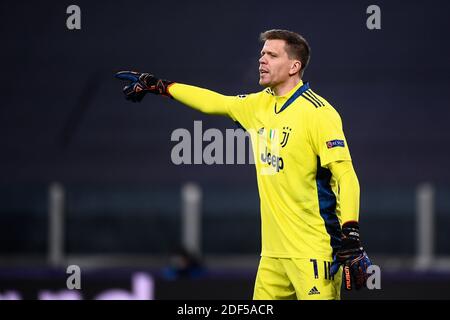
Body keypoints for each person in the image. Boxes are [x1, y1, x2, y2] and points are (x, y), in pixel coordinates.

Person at [115, 29, 371, 300]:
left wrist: (351, 235)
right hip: (272, 257)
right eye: (262, 54)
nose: (262, 60)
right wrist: (161, 86)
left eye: (272, 55)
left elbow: (346, 176)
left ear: (295, 66)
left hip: (313, 253)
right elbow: (215, 102)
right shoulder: (258, 104)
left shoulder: (319, 114)